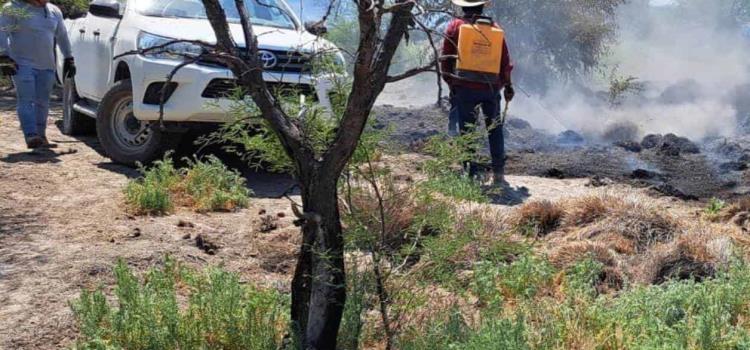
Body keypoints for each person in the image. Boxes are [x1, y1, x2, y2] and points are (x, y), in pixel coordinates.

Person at [441, 0, 514, 184]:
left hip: (464, 88)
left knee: (467, 130)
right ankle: (499, 174)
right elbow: (505, 62)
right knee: (495, 129)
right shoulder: (494, 28)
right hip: (490, 89)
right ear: (482, 7)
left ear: (462, 7)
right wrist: (508, 85)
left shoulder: (455, 26)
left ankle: (471, 174)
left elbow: (446, 59)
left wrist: (452, 83)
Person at [0, 0, 75, 149]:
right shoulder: (13, 9)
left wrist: (68, 57)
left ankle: (41, 136)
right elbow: (2, 32)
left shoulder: (54, 11)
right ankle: (31, 135)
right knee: (26, 99)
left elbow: (62, 35)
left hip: (47, 65)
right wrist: (4, 56)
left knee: (43, 101)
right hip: (22, 63)